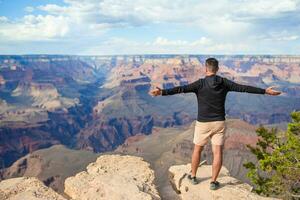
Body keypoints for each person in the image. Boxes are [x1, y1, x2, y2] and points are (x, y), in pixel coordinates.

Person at [149, 57, 281, 190]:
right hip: (219, 123)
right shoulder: (224, 82)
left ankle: (193, 176)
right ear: (217, 69)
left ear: (205, 68)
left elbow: (181, 89)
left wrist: (162, 92)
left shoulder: (199, 84)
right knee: (217, 152)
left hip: (203, 123)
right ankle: (213, 181)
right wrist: (265, 91)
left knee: (197, 150)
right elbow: (243, 88)